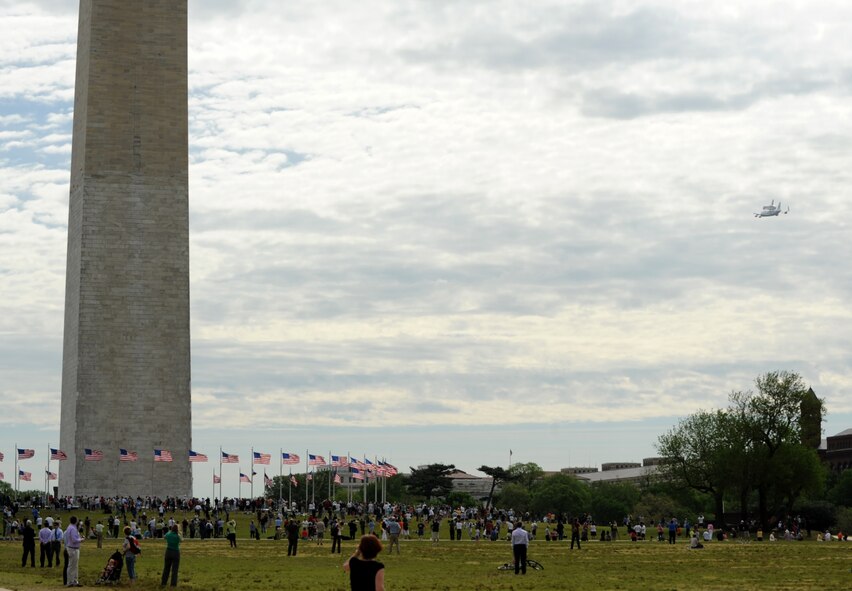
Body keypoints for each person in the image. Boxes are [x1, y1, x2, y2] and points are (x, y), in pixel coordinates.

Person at [65, 515, 83, 587]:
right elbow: (74, 540)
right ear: (75, 521)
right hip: (73, 548)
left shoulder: (71, 527)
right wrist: (81, 540)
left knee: (74, 565)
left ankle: (74, 581)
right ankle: (70, 581)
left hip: (73, 548)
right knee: (72, 565)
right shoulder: (72, 528)